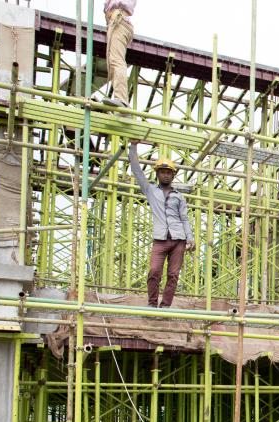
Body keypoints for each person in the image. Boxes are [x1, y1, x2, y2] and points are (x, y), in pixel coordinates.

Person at [129, 141, 195, 307]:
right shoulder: (151, 191)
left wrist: (190, 238)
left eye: (169, 172)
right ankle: (152, 304)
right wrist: (133, 147)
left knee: (173, 274)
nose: (166, 175)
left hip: (178, 240)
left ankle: (165, 306)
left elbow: (184, 218)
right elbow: (137, 171)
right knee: (154, 271)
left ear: (173, 175)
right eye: (162, 172)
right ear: (157, 174)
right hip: (160, 240)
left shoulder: (179, 197)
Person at [104, 1, 136, 107]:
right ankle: (121, 99)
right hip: (118, 20)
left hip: (119, 20)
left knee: (116, 60)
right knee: (114, 61)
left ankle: (121, 99)